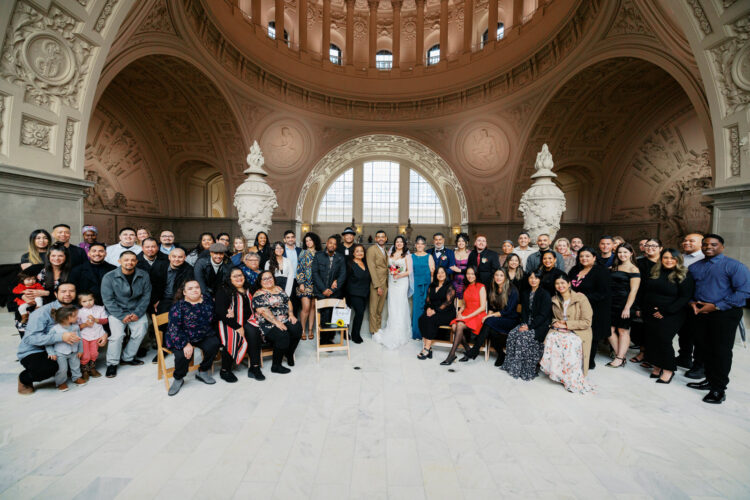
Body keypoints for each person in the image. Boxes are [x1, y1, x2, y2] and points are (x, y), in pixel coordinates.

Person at [686, 234, 750, 404]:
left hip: (724, 313)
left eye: (713, 244)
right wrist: (692, 302)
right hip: (700, 312)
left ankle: (718, 390)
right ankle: (709, 380)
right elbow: (690, 289)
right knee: (704, 349)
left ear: (722, 246)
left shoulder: (735, 266)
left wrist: (716, 306)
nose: (708, 247)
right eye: (705, 244)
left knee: (720, 351)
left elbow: (744, 292)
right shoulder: (695, 267)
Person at [17, 283, 81, 394]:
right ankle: (24, 379)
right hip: (35, 350)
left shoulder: (76, 310)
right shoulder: (42, 312)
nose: (68, 294)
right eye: (63, 291)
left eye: (71, 291)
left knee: (77, 360)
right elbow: (30, 339)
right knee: (49, 368)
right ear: (56, 294)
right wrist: (60, 337)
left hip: (61, 348)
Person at [642, 249, 695, 384]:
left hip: (672, 313)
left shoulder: (684, 274)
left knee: (664, 340)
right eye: (665, 257)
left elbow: (684, 297)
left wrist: (665, 311)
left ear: (678, 260)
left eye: (673, 258)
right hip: (651, 311)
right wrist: (648, 308)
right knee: (652, 339)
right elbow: (647, 291)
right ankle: (657, 365)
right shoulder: (655, 271)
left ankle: (668, 369)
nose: (669, 260)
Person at [165, 280, 221, 396]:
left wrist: (227, 313)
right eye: (190, 288)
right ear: (184, 292)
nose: (195, 290)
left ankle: (203, 371)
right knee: (183, 355)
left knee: (214, 344)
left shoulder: (207, 300)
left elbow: (215, 315)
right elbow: (174, 329)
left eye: (197, 287)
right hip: (181, 335)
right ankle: (179, 378)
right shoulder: (178, 307)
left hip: (202, 334)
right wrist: (185, 344)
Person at [100, 251, 152, 378]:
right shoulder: (109, 277)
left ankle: (127, 357)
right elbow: (108, 300)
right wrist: (121, 315)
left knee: (140, 330)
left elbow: (146, 296)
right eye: (126, 260)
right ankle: (112, 363)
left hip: (136, 310)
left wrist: (138, 313)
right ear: (119, 261)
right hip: (116, 311)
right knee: (117, 336)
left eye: (133, 260)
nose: (130, 262)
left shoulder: (143, 275)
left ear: (136, 261)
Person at [540, 275, 594, 393]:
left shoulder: (581, 298)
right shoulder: (554, 299)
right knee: (551, 337)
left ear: (569, 284)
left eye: (563, 283)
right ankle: (558, 373)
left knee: (569, 342)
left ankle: (571, 377)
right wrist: (556, 323)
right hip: (560, 330)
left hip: (579, 331)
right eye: (557, 284)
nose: (560, 286)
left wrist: (566, 324)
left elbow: (587, 322)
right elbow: (553, 317)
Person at [501, 272, 552, 380]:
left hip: (539, 325)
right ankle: (512, 367)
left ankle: (524, 369)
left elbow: (543, 315)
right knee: (512, 334)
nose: (533, 280)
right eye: (531, 278)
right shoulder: (525, 293)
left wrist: (530, 327)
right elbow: (524, 311)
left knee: (522, 337)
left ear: (540, 280)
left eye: (536, 278)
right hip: (526, 323)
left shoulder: (545, 294)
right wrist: (524, 323)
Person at [463, 269, 520, 364]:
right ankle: (501, 354)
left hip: (510, 319)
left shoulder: (512, 290)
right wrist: (488, 315)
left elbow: (508, 310)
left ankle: (475, 349)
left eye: (501, 275)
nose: (498, 277)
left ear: (505, 277)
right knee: (491, 330)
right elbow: (491, 306)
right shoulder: (494, 288)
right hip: (498, 319)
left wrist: (490, 317)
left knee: (489, 322)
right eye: (496, 275)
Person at [568, 246, 612, 370]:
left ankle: (589, 361)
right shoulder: (575, 269)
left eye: (587, 256)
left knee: (591, 335)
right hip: (576, 308)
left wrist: (583, 297)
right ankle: (575, 358)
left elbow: (603, 292)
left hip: (595, 308)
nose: (584, 258)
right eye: (581, 256)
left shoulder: (601, 271)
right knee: (577, 333)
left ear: (594, 257)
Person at [252, 271, 303, 373]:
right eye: (265, 279)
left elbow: (288, 301)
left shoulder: (279, 289)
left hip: (284, 318)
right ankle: (276, 365)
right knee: (282, 335)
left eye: (270, 277)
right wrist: (276, 322)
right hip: (268, 323)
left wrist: (291, 314)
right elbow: (263, 311)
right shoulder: (258, 294)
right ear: (260, 281)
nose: (268, 280)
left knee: (297, 328)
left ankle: (289, 353)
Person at [215, 269, 254, 383]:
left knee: (254, 331)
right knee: (234, 336)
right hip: (228, 322)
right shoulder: (224, 290)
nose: (238, 278)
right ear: (229, 279)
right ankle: (225, 370)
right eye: (235, 276)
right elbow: (221, 311)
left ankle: (254, 365)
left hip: (247, 320)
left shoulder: (248, 289)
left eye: (240, 275)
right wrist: (237, 326)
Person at [441, 267, 486, 365]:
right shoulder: (466, 286)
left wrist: (466, 317)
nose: (470, 276)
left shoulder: (481, 286)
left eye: (472, 274)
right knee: (454, 326)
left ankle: (451, 355)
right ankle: (468, 350)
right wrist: (460, 312)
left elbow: (482, 307)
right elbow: (465, 304)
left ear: (476, 275)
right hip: (466, 312)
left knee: (460, 325)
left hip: (477, 314)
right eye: (468, 274)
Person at [373, 235, 412, 349]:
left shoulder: (407, 256)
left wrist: (399, 275)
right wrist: (392, 273)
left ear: (404, 244)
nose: (399, 243)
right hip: (391, 282)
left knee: (400, 304)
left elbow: (409, 271)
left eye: (401, 242)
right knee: (392, 305)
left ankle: (400, 331)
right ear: (394, 243)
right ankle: (391, 327)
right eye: (397, 242)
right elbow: (387, 267)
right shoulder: (390, 254)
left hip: (402, 282)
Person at [606, 243, 641, 368]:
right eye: (620, 252)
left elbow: (634, 291)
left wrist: (627, 308)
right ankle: (621, 356)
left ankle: (619, 358)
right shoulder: (615, 267)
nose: (622, 255)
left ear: (631, 253)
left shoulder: (634, 269)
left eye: (625, 252)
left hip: (625, 303)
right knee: (609, 330)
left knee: (623, 330)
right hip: (612, 302)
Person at [631, 238, 663, 365]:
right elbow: (636, 286)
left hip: (660, 300)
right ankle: (643, 352)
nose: (650, 248)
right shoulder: (639, 263)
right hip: (643, 299)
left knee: (657, 331)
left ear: (660, 248)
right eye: (648, 245)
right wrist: (637, 306)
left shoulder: (666, 261)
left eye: (654, 246)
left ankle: (652, 356)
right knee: (642, 329)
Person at [676, 233, 704, 370]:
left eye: (691, 241)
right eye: (685, 240)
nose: (686, 243)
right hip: (681, 302)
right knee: (684, 332)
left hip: (696, 303)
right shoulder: (680, 257)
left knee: (698, 336)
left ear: (701, 244)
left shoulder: (705, 259)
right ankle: (684, 358)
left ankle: (699, 365)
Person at [312, 236, 347, 343]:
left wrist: (332, 290)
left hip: (335, 292)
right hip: (321, 291)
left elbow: (343, 274)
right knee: (325, 314)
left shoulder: (340, 258)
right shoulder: (318, 256)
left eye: (334, 244)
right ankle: (324, 339)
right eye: (330, 243)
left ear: (337, 246)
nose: (332, 245)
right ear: (326, 243)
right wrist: (324, 289)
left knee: (333, 314)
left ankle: (330, 338)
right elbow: (315, 273)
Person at [417, 267, 456, 359]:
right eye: (438, 273)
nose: (440, 274)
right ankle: (429, 348)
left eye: (442, 272)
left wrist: (435, 311)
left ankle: (426, 348)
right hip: (433, 310)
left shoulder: (450, 286)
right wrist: (428, 309)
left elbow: (448, 303)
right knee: (421, 319)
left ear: (446, 274)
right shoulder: (432, 286)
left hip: (447, 312)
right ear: (436, 275)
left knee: (431, 320)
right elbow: (428, 301)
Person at [45, 305, 85, 391]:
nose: (77, 317)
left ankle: (77, 377)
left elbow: (80, 339)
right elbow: (48, 342)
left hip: (74, 351)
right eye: (75, 316)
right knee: (62, 369)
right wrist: (51, 352)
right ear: (65, 318)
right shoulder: (55, 329)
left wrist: (80, 350)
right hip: (60, 353)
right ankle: (61, 382)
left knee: (76, 366)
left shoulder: (75, 327)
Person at [150, 247, 195, 315]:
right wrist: (155, 301)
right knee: (162, 318)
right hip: (162, 299)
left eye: (180, 257)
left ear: (185, 257)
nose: (176, 259)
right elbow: (152, 285)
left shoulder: (189, 270)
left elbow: (186, 289)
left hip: (180, 299)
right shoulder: (159, 266)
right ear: (169, 257)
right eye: (174, 256)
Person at [76, 291, 108, 380]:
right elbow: (76, 327)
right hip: (84, 336)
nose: (88, 303)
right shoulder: (78, 312)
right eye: (84, 301)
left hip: (96, 334)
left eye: (90, 300)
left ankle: (92, 368)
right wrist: (85, 324)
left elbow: (105, 321)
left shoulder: (100, 309)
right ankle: (84, 370)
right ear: (80, 302)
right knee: (86, 355)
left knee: (94, 353)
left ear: (94, 299)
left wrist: (95, 320)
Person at [296, 232, 321, 340]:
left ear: (314, 241)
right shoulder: (303, 253)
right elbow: (299, 268)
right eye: (306, 241)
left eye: (310, 240)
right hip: (305, 284)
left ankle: (310, 329)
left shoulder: (319, 253)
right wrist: (301, 283)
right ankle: (302, 330)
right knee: (305, 308)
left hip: (316, 284)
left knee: (312, 307)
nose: (308, 242)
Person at [411, 236, 436, 340]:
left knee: (426, 307)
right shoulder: (411, 256)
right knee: (416, 308)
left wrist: (431, 288)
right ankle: (416, 332)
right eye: (418, 243)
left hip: (426, 285)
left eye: (422, 243)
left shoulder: (429, 256)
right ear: (415, 245)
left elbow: (432, 273)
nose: (420, 245)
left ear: (425, 245)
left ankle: (425, 332)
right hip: (415, 285)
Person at [347, 244, 371, 344]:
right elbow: (345, 279)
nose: (360, 253)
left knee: (360, 314)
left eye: (361, 251)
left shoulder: (365, 263)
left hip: (365, 293)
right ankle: (355, 335)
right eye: (357, 251)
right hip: (354, 293)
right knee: (359, 312)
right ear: (353, 253)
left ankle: (355, 333)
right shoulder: (350, 264)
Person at [366, 230, 389, 334]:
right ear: (375, 239)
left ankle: (378, 329)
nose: (381, 238)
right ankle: (373, 331)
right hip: (376, 283)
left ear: (386, 238)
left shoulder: (385, 250)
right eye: (378, 237)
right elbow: (372, 268)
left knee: (380, 309)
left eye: (382, 237)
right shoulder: (371, 250)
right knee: (374, 309)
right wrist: (378, 286)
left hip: (385, 282)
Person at [450, 233, 470, 298]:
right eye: (459, 241)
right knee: (453, 299)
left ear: (466, 242)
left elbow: (472, 268)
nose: (461, 243)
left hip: (467, 280)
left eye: (463, 241)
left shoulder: (470, 253)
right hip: (454, 280)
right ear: (456, 242)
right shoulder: (452, 253)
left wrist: (460, 270)